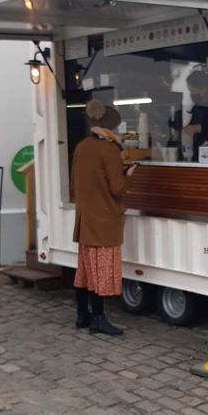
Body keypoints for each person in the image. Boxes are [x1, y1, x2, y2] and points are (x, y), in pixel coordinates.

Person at [71, 98, 135, 336]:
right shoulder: (109, 149)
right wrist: (129, 174)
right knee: (101, 273)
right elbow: (117, 189)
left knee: (85, 272)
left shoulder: (81, 146)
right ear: (111, 126)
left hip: (85, 219)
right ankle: (98, 319)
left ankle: (82, 316)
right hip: (105, 220)